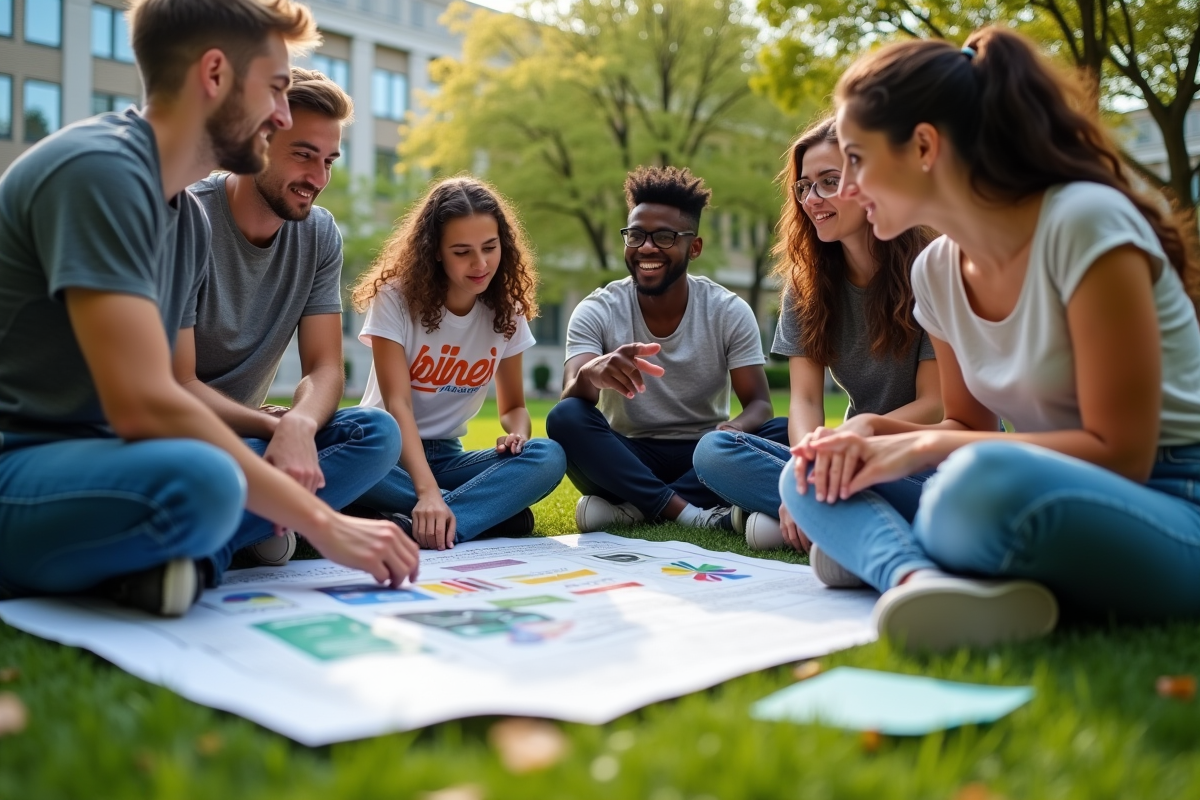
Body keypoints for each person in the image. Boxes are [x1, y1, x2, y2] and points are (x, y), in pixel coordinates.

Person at [780, 27, 1200, 651]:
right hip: (1036, 487)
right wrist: (865, 433)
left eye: (858, 161)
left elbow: (1122, 451)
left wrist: (915, 448)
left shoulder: (1081, 221)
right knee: (809, 472)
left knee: (975, 487)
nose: (848, 189)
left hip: (1168, 499)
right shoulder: (936, 270)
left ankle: (892, 550)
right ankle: (916, 578)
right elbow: (964, 424)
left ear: (923, 146)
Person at [0, 0, 419, 618]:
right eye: (275, 90)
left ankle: (167, 559)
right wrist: (324, 524)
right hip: (27, 463)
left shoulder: (183, 218)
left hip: (119, 458)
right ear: (215, 74)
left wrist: (291, 434)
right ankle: (178, 549)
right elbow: (146, 402)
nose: (280, 113)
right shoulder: (99, 171)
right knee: (206, 482)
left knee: (318, 446)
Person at [177, 67, 396, 567]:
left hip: (257, 439)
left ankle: (220, 537)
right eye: (303, 155)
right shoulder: (187, 217)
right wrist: (272, 426)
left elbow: (324, 367)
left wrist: (297, 423)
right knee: (212, 463)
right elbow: (177, 382)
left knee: (376, 434)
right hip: (182, 432)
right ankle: (244, 531)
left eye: (329, 161)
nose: (318, 179)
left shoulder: (319, 235)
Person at [692, 117, 940, 555]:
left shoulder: (930, 268)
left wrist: (841, 451)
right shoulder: (807, 288)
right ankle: (828, 512)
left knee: (939, 495)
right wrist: (803, 474)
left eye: (828, 182)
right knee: (714, 450)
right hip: (843, 457)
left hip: (924, 458)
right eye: (804, 186)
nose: (812, 199)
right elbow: (805, 402)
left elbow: (936, 404)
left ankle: (811, 516)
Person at [547, 166, 773, 532]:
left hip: (705, 454)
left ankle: (638, 509)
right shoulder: (596, 309)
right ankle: (691, 513)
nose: (647, 247)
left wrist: (732, 429)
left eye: (665, 237)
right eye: (635, 235)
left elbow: (760, 404)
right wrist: (591, 375)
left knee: (783, 431)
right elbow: (572, 396)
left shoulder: (728, 310)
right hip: (624, 456)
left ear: (694, 247)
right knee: (565, 417)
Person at [351, 177, 567, 551]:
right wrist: (426, 491)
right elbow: (397, 404)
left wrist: (517, 433)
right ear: (435, 250)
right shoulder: (394, 297)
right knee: (340, 461)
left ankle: (414, 524)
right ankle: (482, 513)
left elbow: (514, 406)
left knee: (548, 457)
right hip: (385, 452)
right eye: (462, 251)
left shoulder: (508, 310)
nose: (480, 263)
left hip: (449, 457)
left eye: (490, 247)